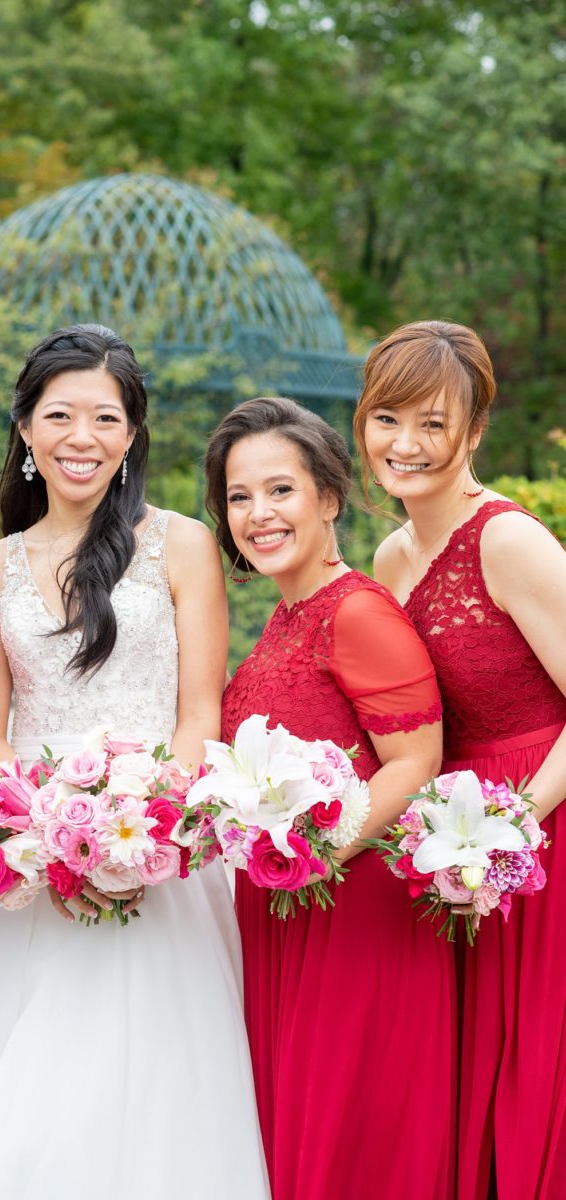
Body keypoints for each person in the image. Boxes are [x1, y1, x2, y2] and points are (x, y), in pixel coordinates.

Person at [0, 325, 270, 1200]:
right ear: (28, 432)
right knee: (13, 1100)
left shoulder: (182, 544)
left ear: (131, 434)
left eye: (106, 418)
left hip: (160, 847)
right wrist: (48, 835)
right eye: (61, 416)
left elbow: (199, 710)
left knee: (160, 1083)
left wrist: (146, 828)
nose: (84, 437)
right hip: (31, 854)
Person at [205, 396, 455, 1200]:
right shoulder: (287, 615)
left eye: (278, 490)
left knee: (347, 1143)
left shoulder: (354, 612)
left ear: (328, 497)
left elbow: (415, 759)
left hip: (351, 919)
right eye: (238, 498)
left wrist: (316, 851)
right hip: (288, 914)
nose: (257, 514)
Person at [354, 319, 566, 1200]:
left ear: (474, 432)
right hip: (454, 849)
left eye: (432, 424)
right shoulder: (387, 556)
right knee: (475, 1069)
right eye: (387, 418)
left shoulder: (507, 542)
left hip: (541, 832)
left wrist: (516, 824)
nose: (404, 445)